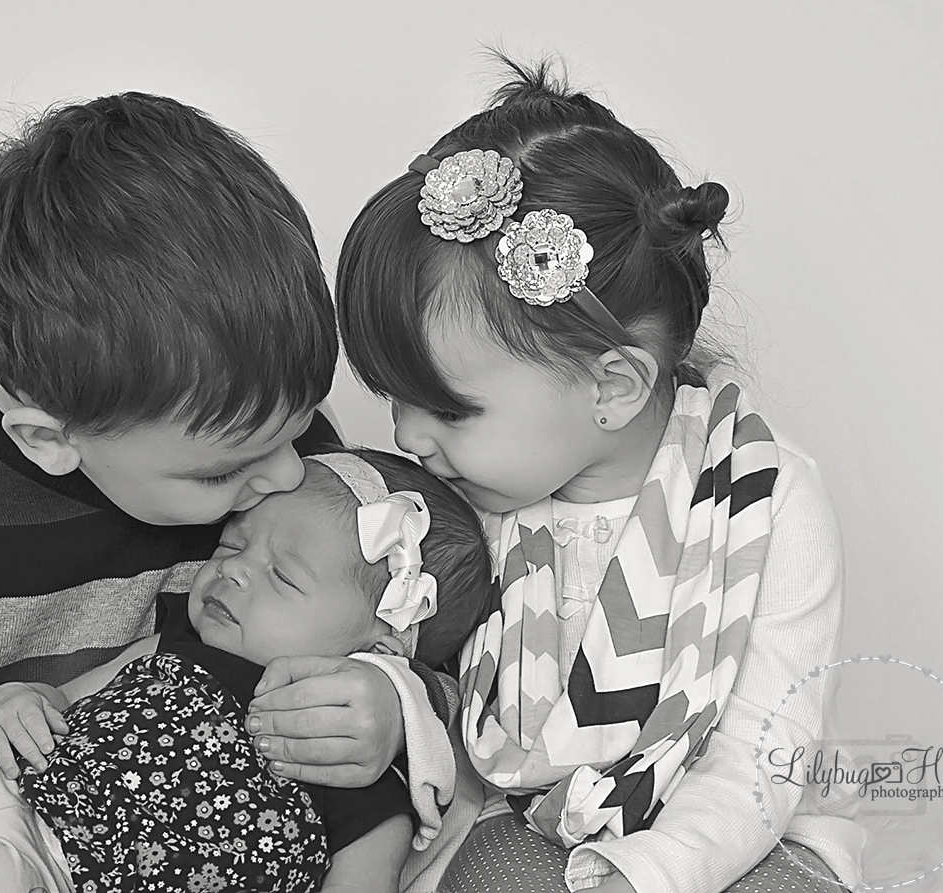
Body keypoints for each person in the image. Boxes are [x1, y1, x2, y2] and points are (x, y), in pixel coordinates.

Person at [0, 93, 446, 893]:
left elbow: (418, 627)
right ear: (51, 438)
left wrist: (398, 707)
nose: (285, 475)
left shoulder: (263, 437)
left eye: (299, 428)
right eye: (222, 473)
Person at [334, 59, 865, 893]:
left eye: (448, 409)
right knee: (492, 875)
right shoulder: (453, 503)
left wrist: (647, 873)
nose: (407, 436)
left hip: (740, 828)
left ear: (612, 386)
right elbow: (397, 649)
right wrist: (385, 695)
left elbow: (762, 753)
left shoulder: (764, 502)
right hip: (531, 819)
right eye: (396, 398)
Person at [0, 451, 496, 893]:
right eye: (232, 544)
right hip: (10, 797)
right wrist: (17, 698)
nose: (233, 570)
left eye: (282, 575)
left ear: (380, 647)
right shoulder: (177, 643)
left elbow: (368, 874)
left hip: (62, 884)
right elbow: (61, 695)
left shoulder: (346, 756)